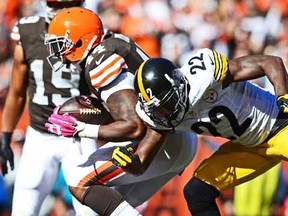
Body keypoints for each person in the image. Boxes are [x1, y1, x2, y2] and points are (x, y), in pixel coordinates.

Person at [44, 7, 197, 215]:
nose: (59, 52)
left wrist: (81, 128)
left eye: (62, 44)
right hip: (176, 139)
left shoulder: (99, 61)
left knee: (79, 181)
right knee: (111, 207)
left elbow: (134, 127)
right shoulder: (112, 45)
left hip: (160, 142)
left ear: (80, 40)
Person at [129, 48, 288, 215]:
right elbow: (141, 162)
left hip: (279, 125)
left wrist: (283, 96)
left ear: (178, 86)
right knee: (197, 193)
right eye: (158, 110)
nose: (166, 113)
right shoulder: (162, 117)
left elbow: (270, 62)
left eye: (167, 104)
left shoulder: (205, 77)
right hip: (248, 147)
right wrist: (130, 163)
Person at [0, 1, 97, 215]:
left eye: (68, 4)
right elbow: (16, 91)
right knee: (23, 208)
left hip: (78, 135)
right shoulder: (27, 32)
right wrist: (6, 134)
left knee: (91, 209)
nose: (60, 10)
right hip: (40, 135)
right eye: (56, 3)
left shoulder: (92, 33)